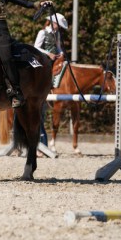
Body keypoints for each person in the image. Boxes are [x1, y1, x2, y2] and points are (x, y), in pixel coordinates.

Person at [34, 12, 68, 147]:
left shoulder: (57, 34)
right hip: (43, 59)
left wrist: (61, 54)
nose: (58, 27)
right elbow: (36, 47)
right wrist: (48, 54)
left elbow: (58, 47)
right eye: (58, 24)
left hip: (54, 59)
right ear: (53, 23)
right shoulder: (42, 32)